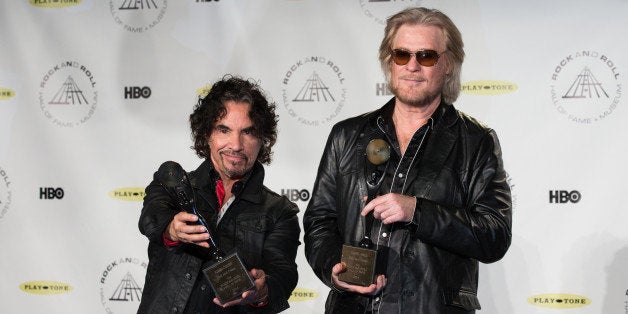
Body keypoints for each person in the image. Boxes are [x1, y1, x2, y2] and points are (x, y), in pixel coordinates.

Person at [303, 7, 512, 314]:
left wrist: (418, 211)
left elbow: (494, 234)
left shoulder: (476, 141)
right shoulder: (346, 136)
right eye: (402, 55)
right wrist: (335, 268)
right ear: (390, 62)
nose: (412, 66)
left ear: (449, 64)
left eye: (426, 56)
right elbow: (319, 223)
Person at [138, 75, 301, 314]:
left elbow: (283, 275)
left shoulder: (279, 212)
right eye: (224, 130)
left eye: (248, 132)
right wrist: (170, 229)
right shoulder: (172, 184)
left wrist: (262, 291)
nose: (236, 144)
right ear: (207, 134)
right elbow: (151, 218)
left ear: (262, 139)